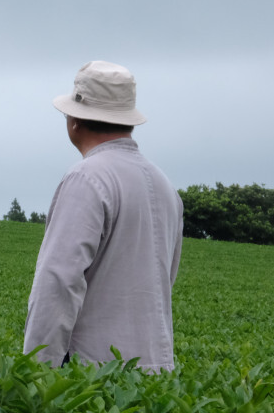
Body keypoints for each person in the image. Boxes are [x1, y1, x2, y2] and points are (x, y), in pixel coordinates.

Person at [23, 60, 183, 372]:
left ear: (75, 121)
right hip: (157, 372)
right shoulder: (164, 185)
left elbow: (58, 282)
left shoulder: (86, 179)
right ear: (128, 121)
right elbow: (166, 278)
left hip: (95, 374)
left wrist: (37, 371)